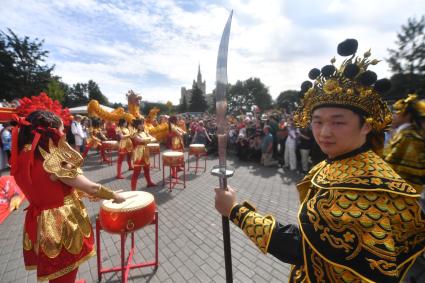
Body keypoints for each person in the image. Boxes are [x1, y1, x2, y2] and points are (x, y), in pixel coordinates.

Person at [215, 39, 425, 282]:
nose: (324, 132)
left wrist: (236, 211)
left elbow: (300, 247)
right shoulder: (335, 162)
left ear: (366, 126)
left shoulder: (369, 183)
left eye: (338, 122)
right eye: (317, 121)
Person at [10, 110, 125, 283]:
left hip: (38, 220)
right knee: (64, 274)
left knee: (56, 272)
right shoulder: (52, 158)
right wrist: (114, 195)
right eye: (62, 130)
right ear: (52, 131)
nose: (64, 134)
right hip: (59, 223)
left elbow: (48, 187)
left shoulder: (20, 155)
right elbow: (91, 187)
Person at [384, 94, 425, 193]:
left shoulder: (409, 136)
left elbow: (395, 165)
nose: (393, 115)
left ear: (407, 116)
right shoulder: (404, 133)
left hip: (406, 189)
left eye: (396, 112)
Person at [130, 118, 156, 190]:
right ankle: (133, 190)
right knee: (136, 172)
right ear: (137, 125)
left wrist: (147, 139)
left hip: (146, 151)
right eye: (141, 124)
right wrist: (149, 139)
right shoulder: (134, 134)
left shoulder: (145, 132)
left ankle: (149, 182)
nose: (143, 125)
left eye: (143, 123)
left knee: (147, 169)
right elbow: (140, 140)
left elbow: (154, 139)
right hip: (138, 153)